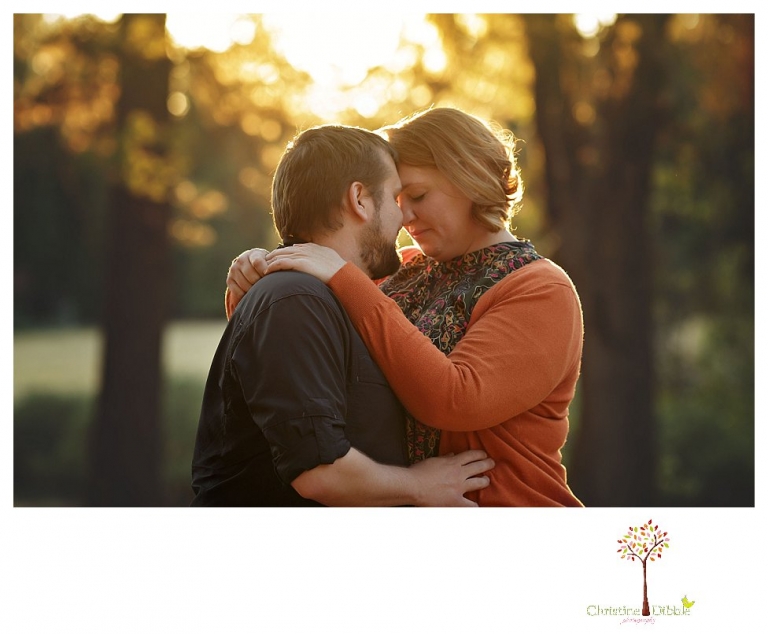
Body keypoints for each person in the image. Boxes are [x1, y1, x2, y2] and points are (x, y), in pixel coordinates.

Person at [227, 107, 584, 507]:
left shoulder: (540, 288)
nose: (404, 216)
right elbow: (312, 362)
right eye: (397, 199)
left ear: (470, 177)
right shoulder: (404, 270)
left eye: (417, 195)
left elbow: (456, 399)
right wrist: (261, 276)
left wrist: (344, 276)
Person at [191, 123, 494, 507]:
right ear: (360, 200)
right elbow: (320, 471)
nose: (404, 217)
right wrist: (419, 485)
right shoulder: (294, 299)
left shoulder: (336, 296)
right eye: (396, 196)